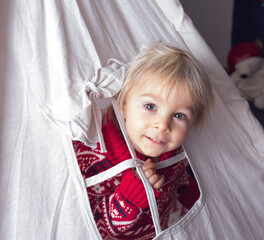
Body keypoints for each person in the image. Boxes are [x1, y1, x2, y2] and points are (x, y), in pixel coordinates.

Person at [73, 42, 213, 240]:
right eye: (150, 106)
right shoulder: (92, 152)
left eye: (179, 116)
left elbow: (180, 186)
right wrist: (130, 197)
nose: (162, 125)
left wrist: (200, 198)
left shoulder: (173, 152)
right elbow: (92, 227)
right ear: (123, 105)